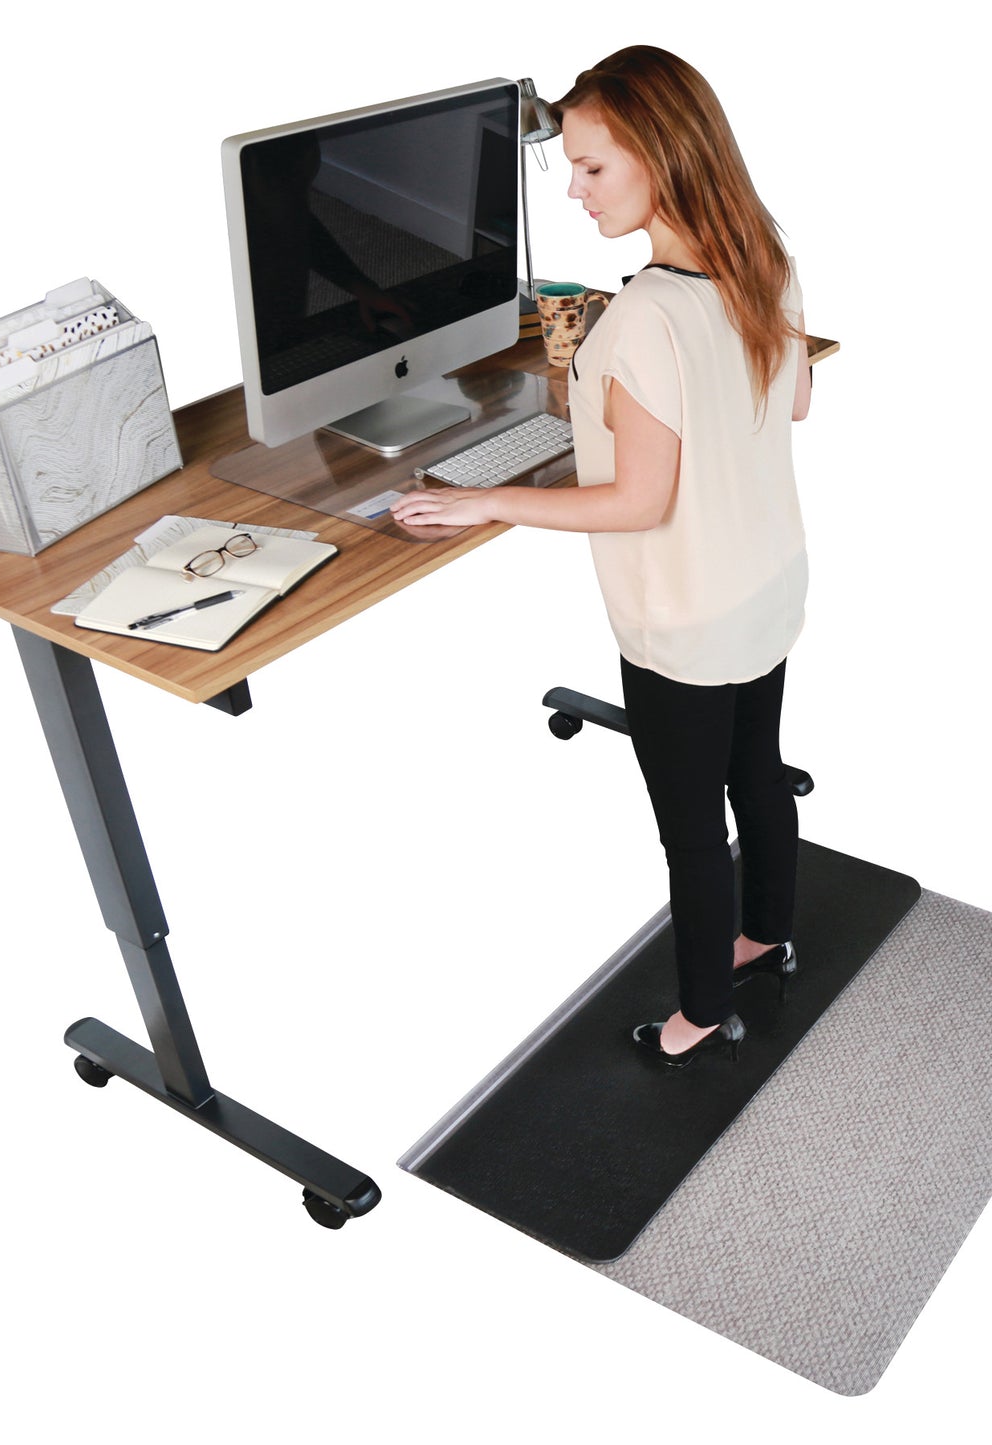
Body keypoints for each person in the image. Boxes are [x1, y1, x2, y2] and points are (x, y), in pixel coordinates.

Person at [390, 45, 812, 1068]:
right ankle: (766, 934)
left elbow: (638, 500)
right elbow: (795, 397)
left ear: (660, 158)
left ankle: (697, 1014)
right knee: (755, 769)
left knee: (688, 825)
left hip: (682, 615)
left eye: (591, 167)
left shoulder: (643, 317)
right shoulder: (762, 252)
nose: (573, 191)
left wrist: (487, 499)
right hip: (764, 582)